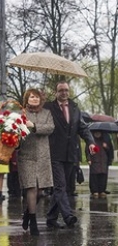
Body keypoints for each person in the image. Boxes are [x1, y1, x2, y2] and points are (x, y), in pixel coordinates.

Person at [44, 81, 96, 228]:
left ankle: (51, 218)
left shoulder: (75, 108)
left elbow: (83, 128)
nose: (64, 93)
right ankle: (67, 216)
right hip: (54, 153)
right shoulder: (48, 108)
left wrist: (90, 142)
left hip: (70, 153)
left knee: (62, 186)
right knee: (60, 186)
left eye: (66, 90)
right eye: (61, 90)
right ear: (56, 92)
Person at [17, 88, 55, 236]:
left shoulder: (47, 113)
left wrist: (34, 126)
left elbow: (51, 127)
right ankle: (33, 221)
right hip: (26, 156)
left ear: (41, 99)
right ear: (27, 99)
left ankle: (27, 212)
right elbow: (15, 130)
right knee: (31, 187)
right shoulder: (21, 114)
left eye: (36, 97)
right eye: (31, 97)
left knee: (40, 191)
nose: (34, 99)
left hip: (43, 156)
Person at [86, 131, 112, 198]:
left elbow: (110, 150)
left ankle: (102, 190)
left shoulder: (106, 139)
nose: (98, 134)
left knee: (103, 176)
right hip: (94, 161)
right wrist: (89, 159)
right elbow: (87, 151)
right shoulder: (91, 140)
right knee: (94, 176)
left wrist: (106, 147)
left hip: (103, 161)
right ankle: (95, 190)